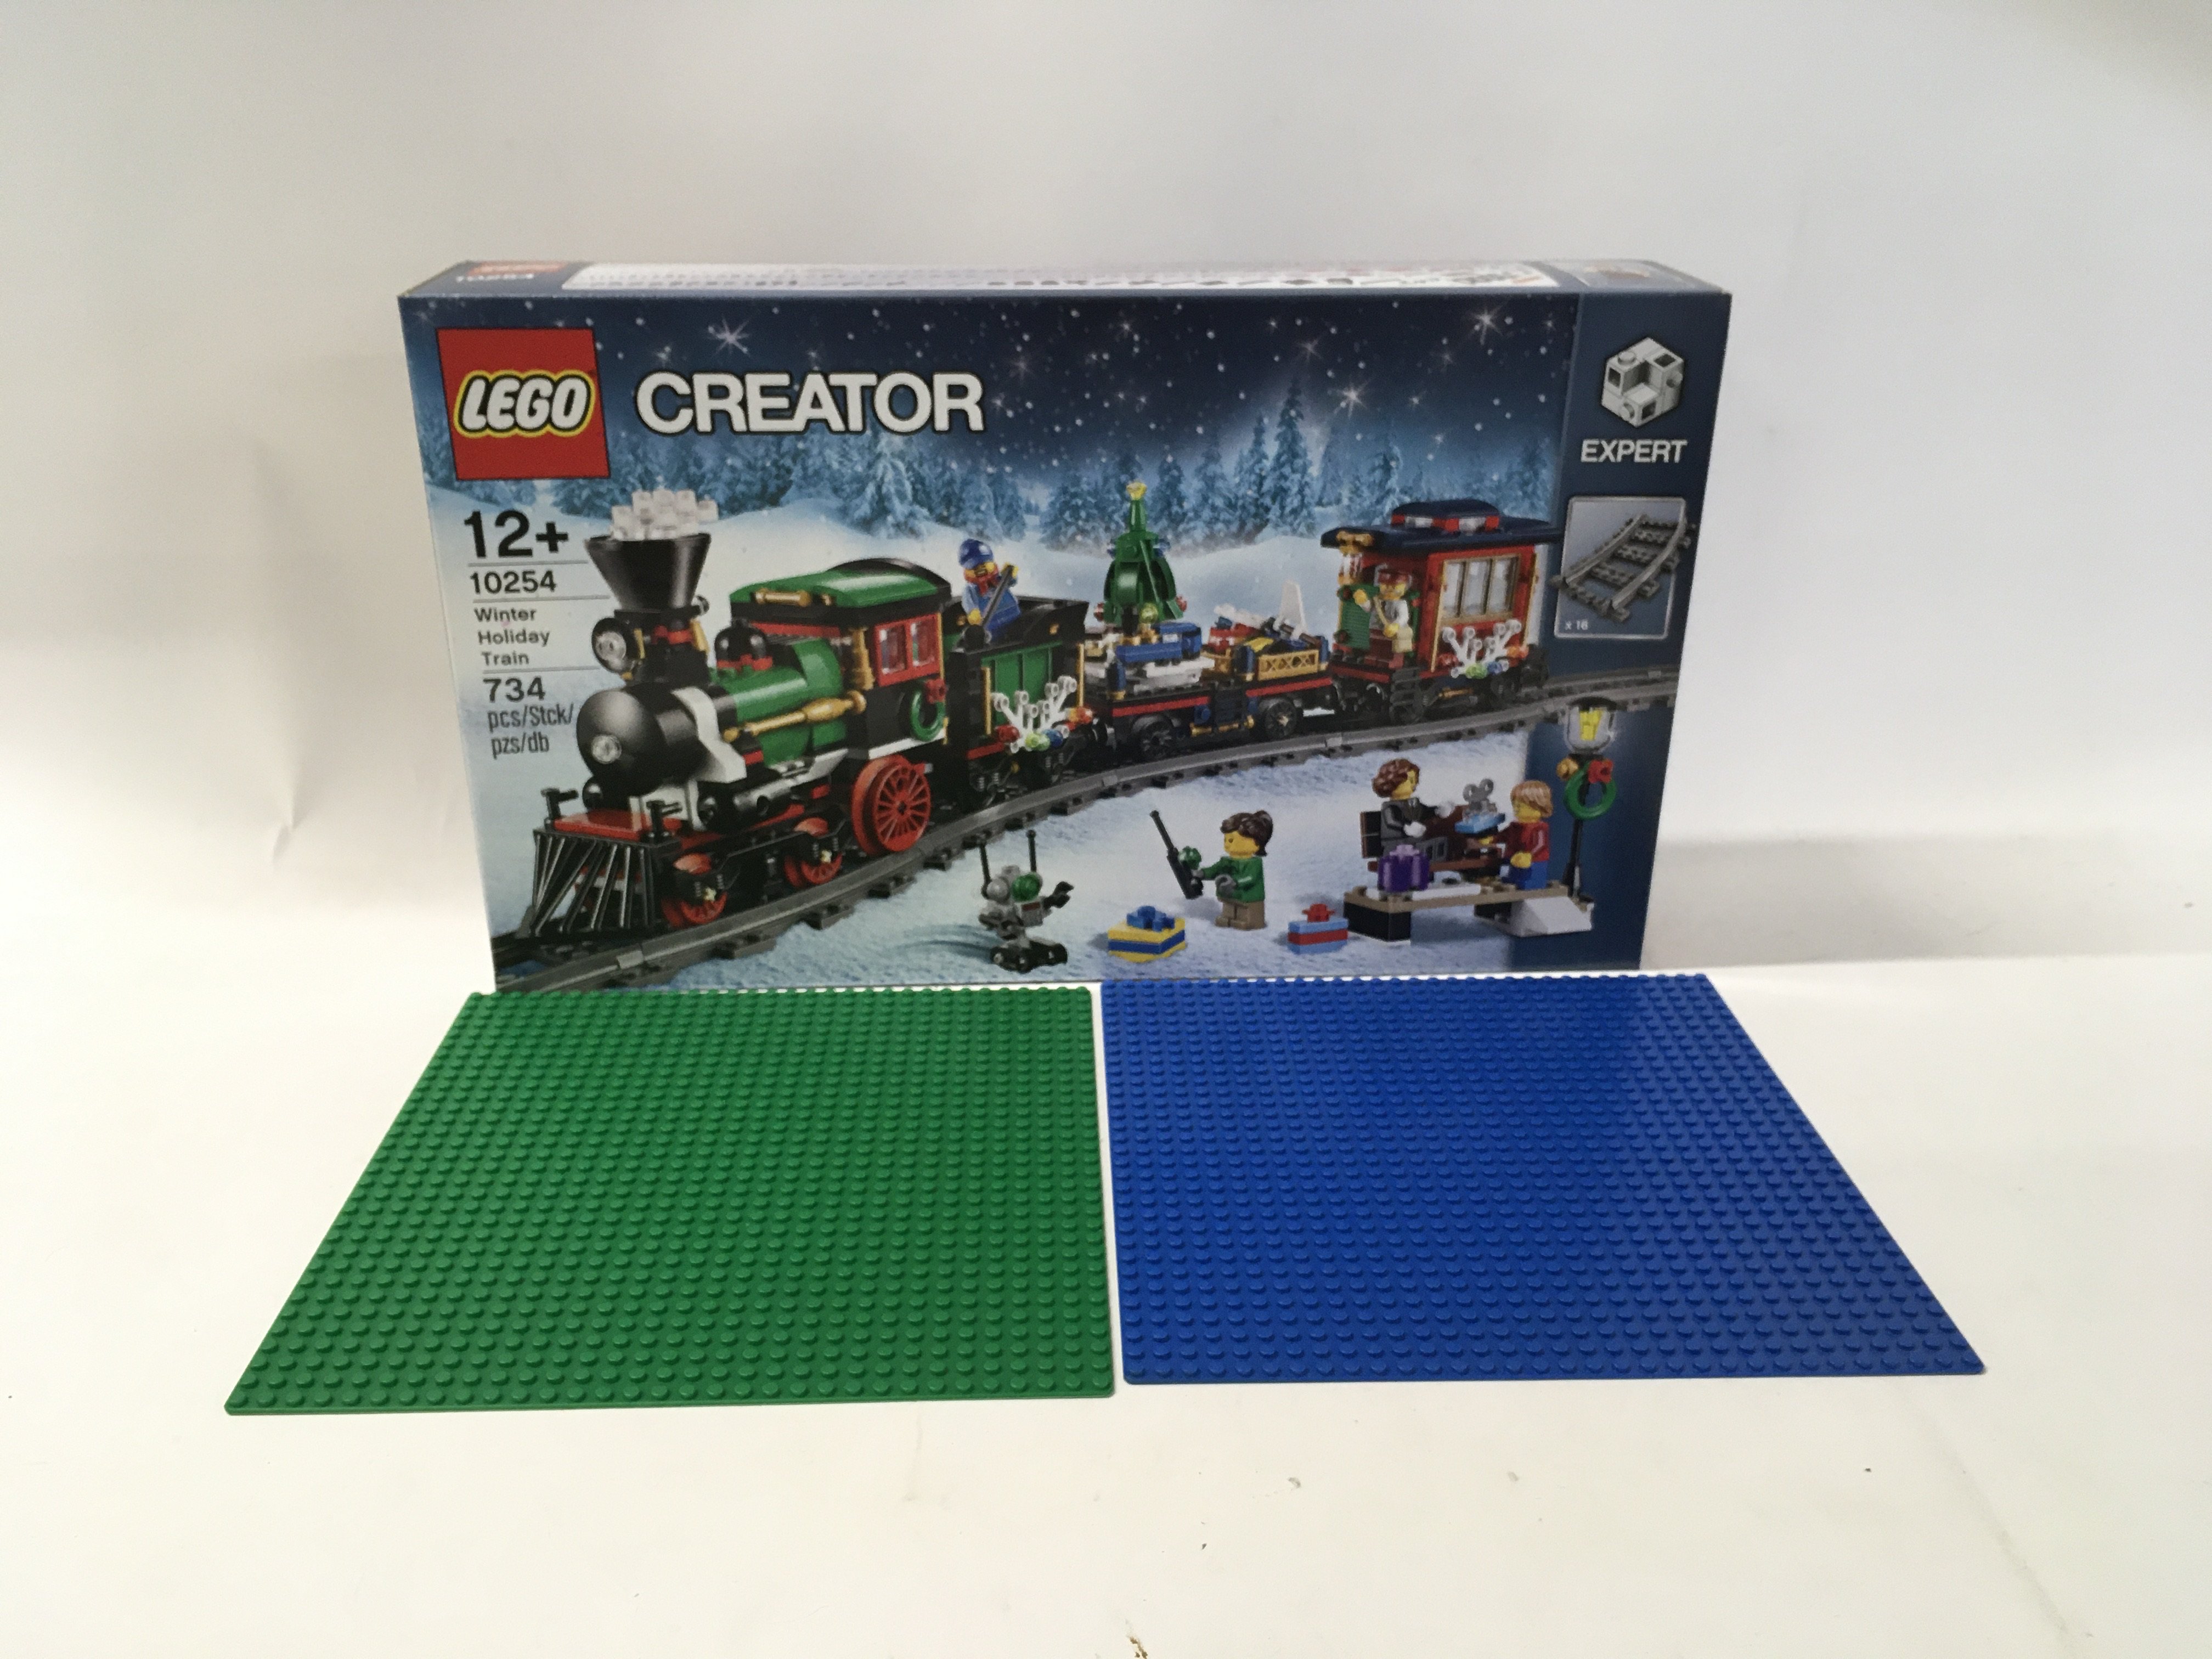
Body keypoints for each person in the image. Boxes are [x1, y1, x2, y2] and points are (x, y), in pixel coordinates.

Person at [1182, 810, 1273, 930]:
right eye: (1226, 840)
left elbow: (1251, 878)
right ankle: (1229, 919)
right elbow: (1215, 870)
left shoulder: (1254, 863)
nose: (1227, 845)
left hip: (1250, 899)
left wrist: (1235, 882)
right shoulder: (1226, 861)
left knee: (1246, 914)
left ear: (1256, 842)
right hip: (1230, 895)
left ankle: (1249, 922)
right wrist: (1201, 873)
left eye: (1231, 840)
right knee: (1229, 909)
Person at [960, 538, 1019, 639]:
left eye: (984, 565)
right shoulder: (971, 590)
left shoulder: (999, 579)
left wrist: (1011, 574)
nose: (981, 569)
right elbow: (969, 604)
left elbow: (1012, 582)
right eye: (975, 568)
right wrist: (974, 614)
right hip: (991, 625)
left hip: (1014, 617)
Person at [1502, 780, 1554, 889]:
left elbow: (1540, 845)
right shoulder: (1516, 826)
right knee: (1515, 869)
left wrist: (1530, 855)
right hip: (1516, 858)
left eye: (1521, 805)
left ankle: (1533, 882)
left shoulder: (1539, 828)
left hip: (1535, 860)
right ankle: (1514, 878)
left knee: (1532, 871)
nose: (1516, 808)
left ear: (1538, 806)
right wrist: (1491, 839)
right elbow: (1505, 835)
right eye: (1515, 804)